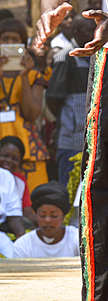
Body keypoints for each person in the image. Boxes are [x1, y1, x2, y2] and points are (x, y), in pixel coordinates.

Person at [0, 18, 51, 191]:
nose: (10, 44)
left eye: (15, 40)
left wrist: (24, 76)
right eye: (5, 39)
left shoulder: (34, 75)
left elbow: (32, 114)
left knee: (33, 195)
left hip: (27, 142)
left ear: (23, 44)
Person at [47, 16, 95, 185]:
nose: (94, 34)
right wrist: (69, 121)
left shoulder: (97, 54)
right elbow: (53, 97)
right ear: (76, 32)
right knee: (70, 189)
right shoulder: (65, 57)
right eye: (90, 31)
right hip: (71, 140)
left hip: (93, 138)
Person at [13, 182, 79, 258]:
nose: (47, 220)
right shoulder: (22, 245)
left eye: (54, 216)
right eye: (42, 215)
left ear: (64, 217)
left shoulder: (77, 239)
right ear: (36, 215)